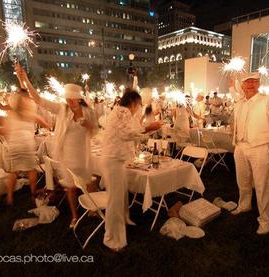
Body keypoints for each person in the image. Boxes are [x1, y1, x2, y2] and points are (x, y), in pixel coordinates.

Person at [16, 65, 98, 227]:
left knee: (89, 184)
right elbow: (38, 99)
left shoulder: (88, 111)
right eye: (67, 99)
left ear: (79, 99)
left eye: (72, 99)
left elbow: (94, 130)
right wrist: (25, 79)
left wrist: (86, 123)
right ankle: (74, 216)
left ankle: (93, 208)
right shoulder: (61, 109)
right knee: (71, 188)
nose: (69, 102)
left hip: (83, 155)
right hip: (67, 156)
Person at [231, 64, 269, 235]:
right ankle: (244, 205)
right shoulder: (239, 103)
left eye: (254, 82)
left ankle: (265, 219)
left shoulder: (267, 100)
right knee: (242, 180)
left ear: (258, 84)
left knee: (262, 185)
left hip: (260, 147)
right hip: (240, 146)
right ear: (242, 86)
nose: (250, 85)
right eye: (247, 82)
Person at [101, 89, 163, 251]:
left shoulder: (118, 111)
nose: (138, 108)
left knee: (121, 194)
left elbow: (130, 132)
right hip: (114, 160)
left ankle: (124, 219)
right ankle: (112, 237)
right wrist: (149, 128)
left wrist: (148, 128)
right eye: (139, 105)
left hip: (116, 160)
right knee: (114, 200)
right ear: (133, 103)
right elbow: (127, 133)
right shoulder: (124, 111)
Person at [4, 88, 50, 205]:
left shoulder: (12, 112)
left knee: (12, 172)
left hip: (14, 144)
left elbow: (6, 129)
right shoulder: (30, 110)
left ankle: (10, 197)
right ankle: (33, 193)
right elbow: (44, 123)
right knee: (31, 170)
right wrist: (48, 125)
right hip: (26, 143)